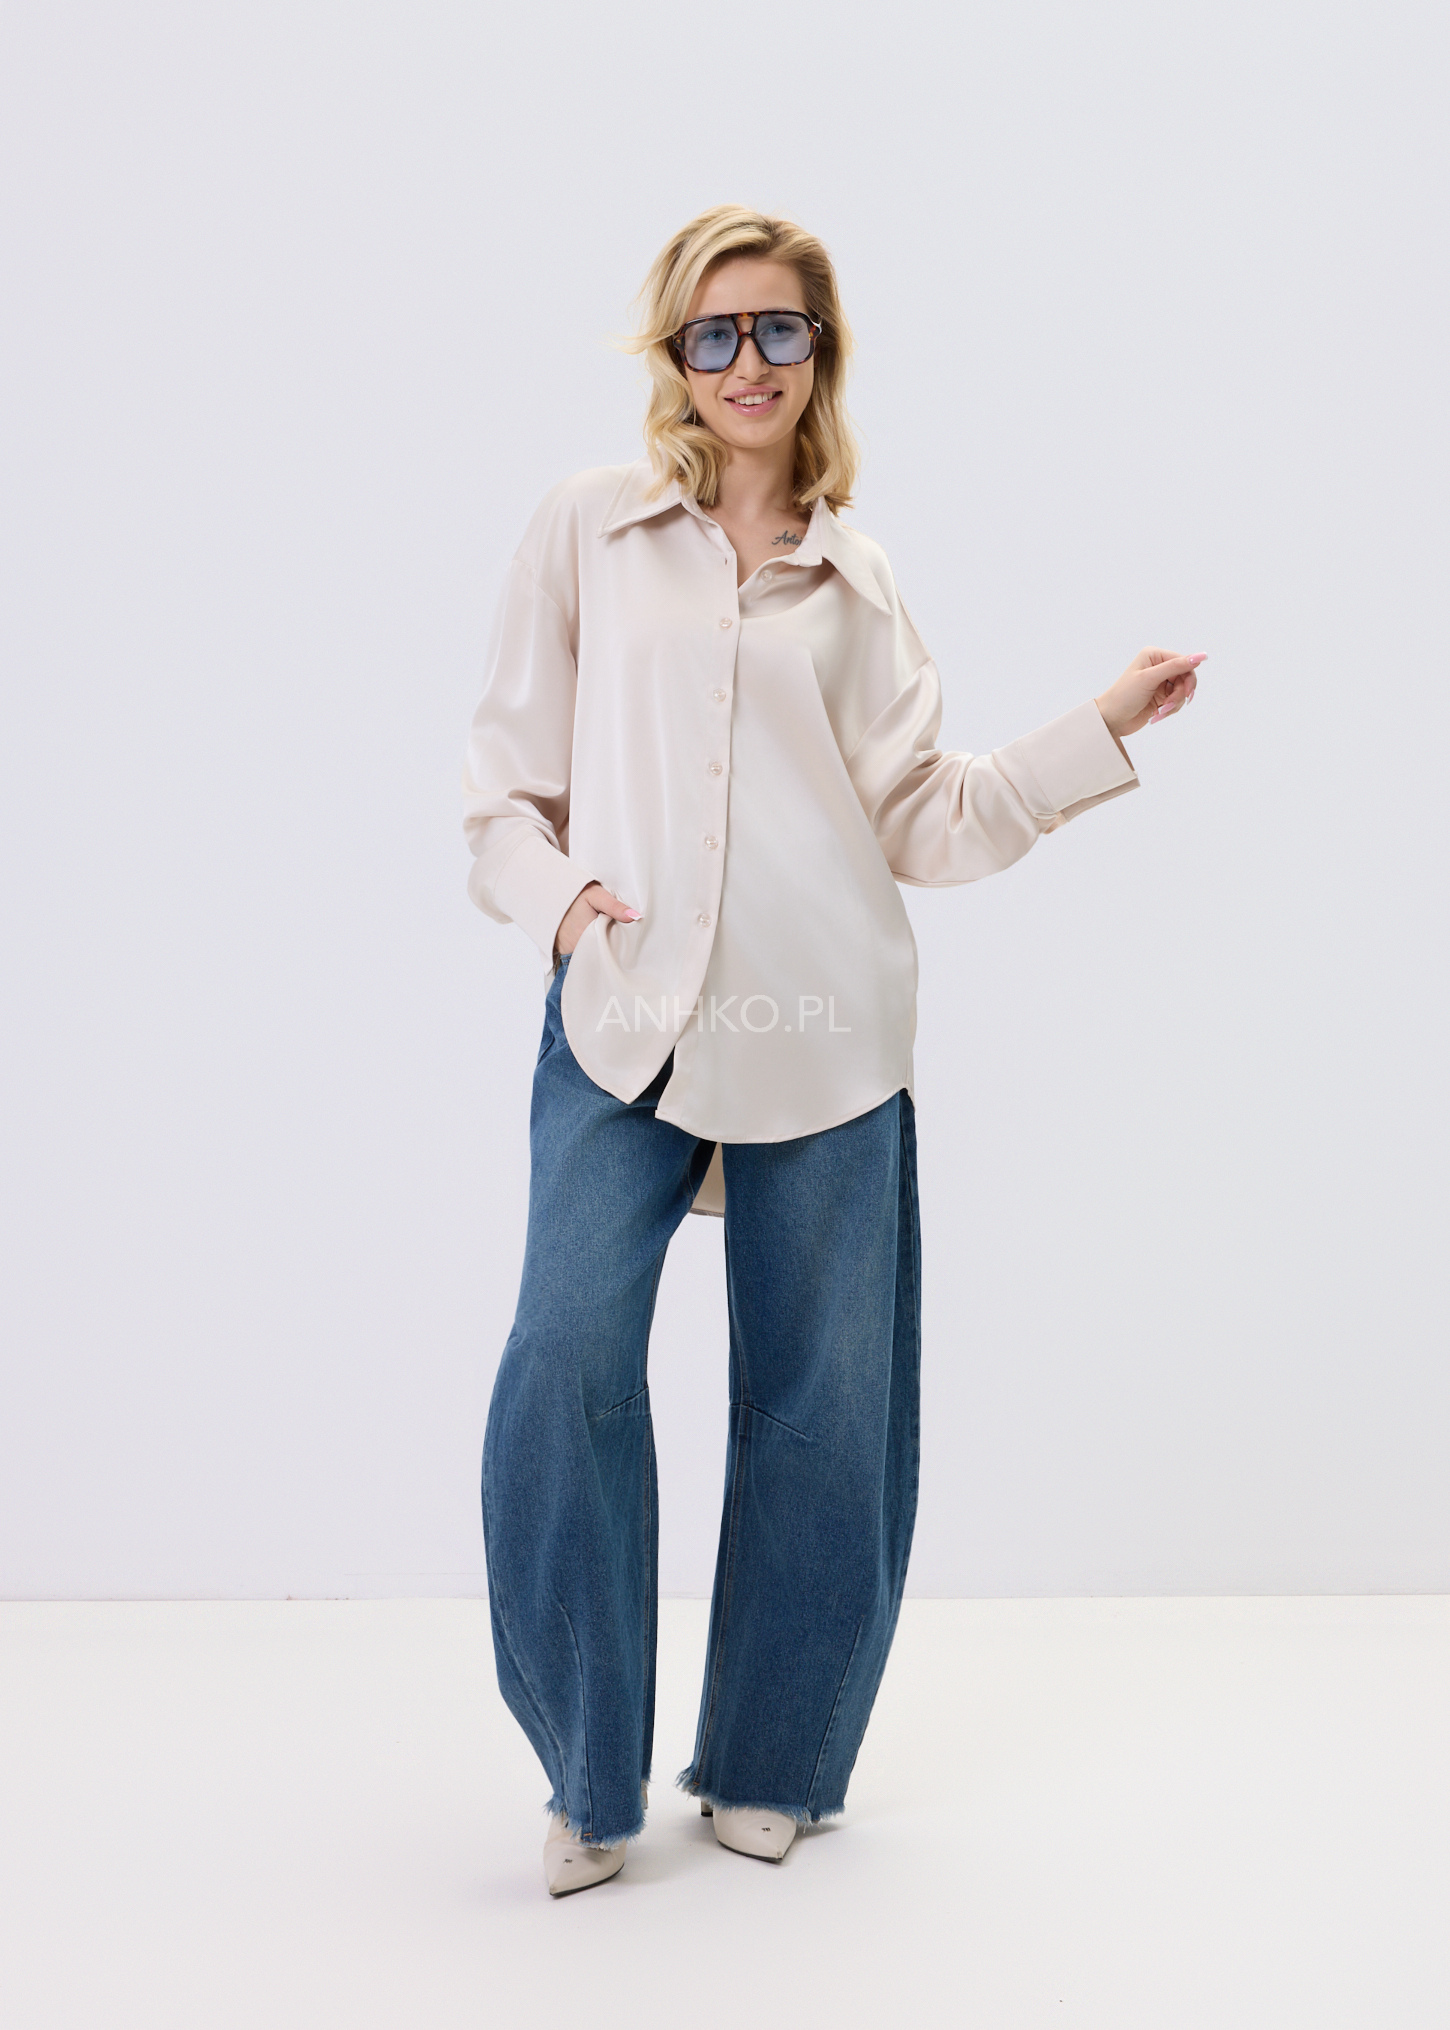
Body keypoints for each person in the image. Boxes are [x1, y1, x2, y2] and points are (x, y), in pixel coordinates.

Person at [463, 205, 1202, 1897]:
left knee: (824, 1406)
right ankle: (586, 1770)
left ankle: (776, 1756)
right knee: (562, 1358)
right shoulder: (587, 529)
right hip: (623, 1012)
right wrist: (562, 903)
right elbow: (499, 789)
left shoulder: (857, 583)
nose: (748, 362)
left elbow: (927, 818)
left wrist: (1095, 729)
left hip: (826, 1030)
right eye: (715, 332)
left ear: (820, 354)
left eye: (778, 330)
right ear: (675, 354)